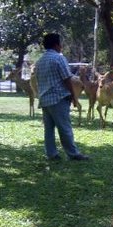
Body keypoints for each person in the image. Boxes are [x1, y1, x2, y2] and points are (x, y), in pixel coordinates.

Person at [35, 33, 89, 161]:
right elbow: (67, 78)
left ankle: (51, 154)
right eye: (60, 43)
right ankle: (73, 154)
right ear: (56, 44)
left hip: (44, 99)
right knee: (64, 127)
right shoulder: (59, 58)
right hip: (58, 98)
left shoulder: (40, 61)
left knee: (48, 129)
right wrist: (73, 96)